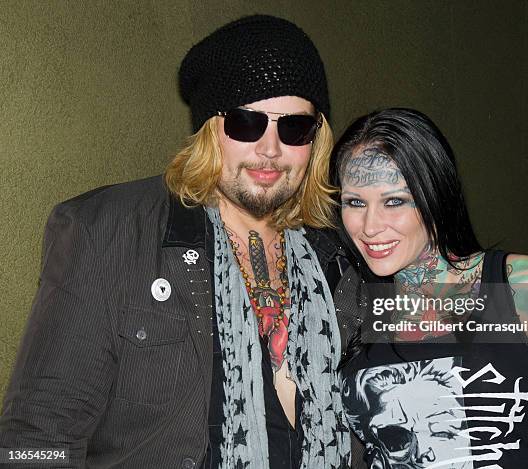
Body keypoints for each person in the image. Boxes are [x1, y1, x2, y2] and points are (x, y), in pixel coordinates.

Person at [0, 15, 352, 469]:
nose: (270, 148)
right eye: (246, 123)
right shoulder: (111, 232)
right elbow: (34, 439)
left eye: (294, 128)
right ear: (210, 128)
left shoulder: (338, 257)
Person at [332, 108, 528, 468]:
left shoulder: (526, 286)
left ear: (435, 194)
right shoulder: (348, 306)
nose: (370, 226)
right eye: (355, 202)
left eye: (395, 201)